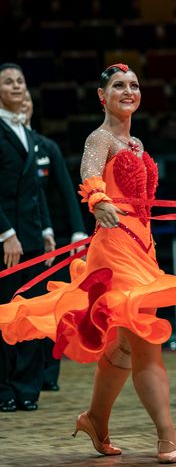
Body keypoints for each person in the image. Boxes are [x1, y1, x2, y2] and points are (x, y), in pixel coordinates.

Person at [0, 64, 176, 463]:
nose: (128, 90)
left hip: (144, 249)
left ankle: (95, 420)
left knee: (123, 345)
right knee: (144, 341)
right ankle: (167, 435)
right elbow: (88, 171)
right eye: (118, 85)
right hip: (114, 250)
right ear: (102, 96)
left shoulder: (137, 143)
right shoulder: (99, 138)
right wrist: (98, 199)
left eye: (134, 85)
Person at [22, 89, 88, 392]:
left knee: (57, 304)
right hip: (26, 236)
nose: (23, 105)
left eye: (28, 101)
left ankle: (50, 371)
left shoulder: (46, 146)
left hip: (57, 239)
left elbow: (67, 190)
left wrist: (77, 232)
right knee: (28, 304)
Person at [0, 63, 55, 412]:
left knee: (33, 313)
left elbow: (37, 191)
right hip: (6, 239)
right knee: (5, 313)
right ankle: (4, 387)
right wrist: (6, 233)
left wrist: (47, 230)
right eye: (8, 81)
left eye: (20, 80)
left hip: (33, 237)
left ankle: (28, 387)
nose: (17, 86)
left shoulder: (31, 136)